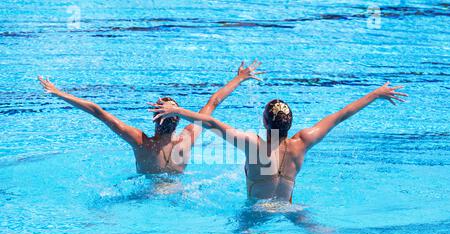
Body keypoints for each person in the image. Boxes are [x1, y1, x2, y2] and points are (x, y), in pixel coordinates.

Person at [150, 81, 407, 202]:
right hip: (289, 208)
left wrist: (178, 111)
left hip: (257, 212)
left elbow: (213, 123)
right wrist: (375, 94)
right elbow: (340, 116)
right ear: (290, 124)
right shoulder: (303, 141)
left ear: (264, 123)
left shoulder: (253, 144)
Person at [37, 60, 264, 174]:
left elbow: (98, 112)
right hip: (180, 193)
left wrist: (59, 93)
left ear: (154, 119)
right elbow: (214, 101)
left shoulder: (140, 142)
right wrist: (239, 78)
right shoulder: (188, 137)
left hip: (145, 195)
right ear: (178, 119)